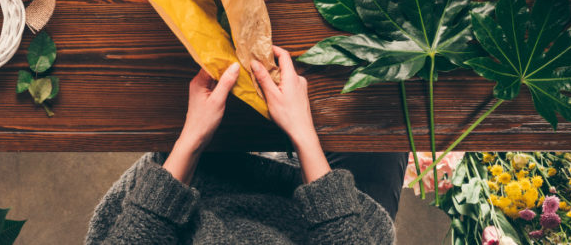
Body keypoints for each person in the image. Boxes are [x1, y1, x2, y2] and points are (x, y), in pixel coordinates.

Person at [85, 46, 406, 244]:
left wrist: (193, 140)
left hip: (198, 204)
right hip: (333, 228)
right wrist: (303, 132)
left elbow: (136, 235)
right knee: (388, 87)